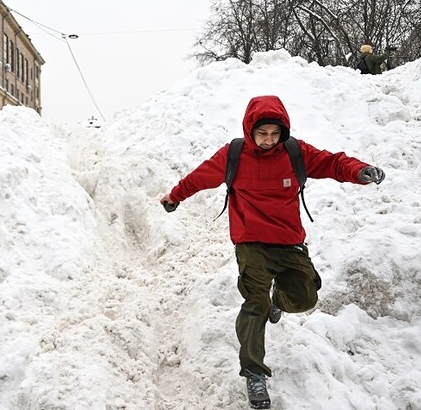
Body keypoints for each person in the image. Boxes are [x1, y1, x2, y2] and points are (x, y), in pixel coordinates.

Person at [159, 95, 386, 409]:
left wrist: (360, 171)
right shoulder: (233, 155)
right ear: (250, 130)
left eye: (275, 134)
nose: (268, 140)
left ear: (283, 132)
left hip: (288, 241)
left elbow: (333, 163)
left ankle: (278, 299)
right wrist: (174, 196)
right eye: (262, 133)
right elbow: (199, 178)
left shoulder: (295, 153)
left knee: (305, 298)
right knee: (255, 303)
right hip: (250, 241)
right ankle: (254, 372)